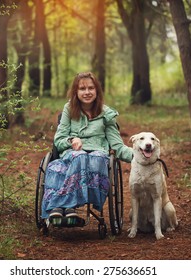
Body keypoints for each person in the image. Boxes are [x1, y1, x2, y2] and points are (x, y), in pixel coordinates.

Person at [41, 72, 133, 224]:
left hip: (98, 158)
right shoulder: (69, 109)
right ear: (76, 92)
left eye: (91, 88)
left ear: (97, 90)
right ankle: (67, 207)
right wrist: (71, 140)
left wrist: (140, 155)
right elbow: (59, 139)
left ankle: (61, 205)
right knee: (75, 157)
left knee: (92, 157)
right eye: (82, 88)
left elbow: (117, 146)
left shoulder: (106, 114)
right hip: (72, 155)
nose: (87, 92)